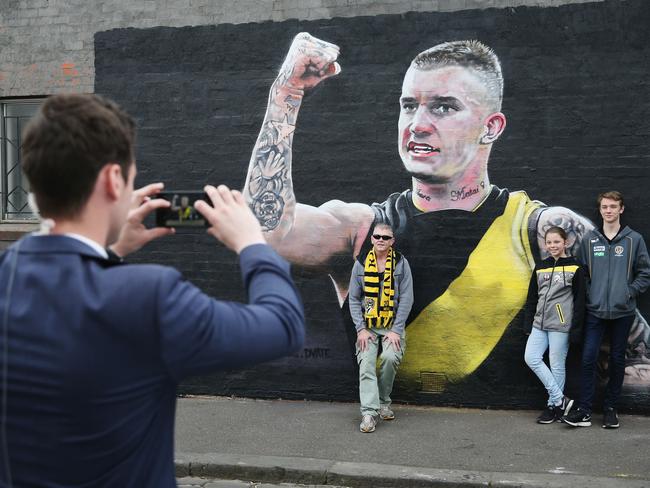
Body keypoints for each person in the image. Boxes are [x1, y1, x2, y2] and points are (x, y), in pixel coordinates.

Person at [243, 33, 650, 393]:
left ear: (491, 127)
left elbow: (635, 351)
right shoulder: (362, 227)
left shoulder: (543, 229)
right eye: (408, 106)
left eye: (442, 107)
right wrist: (286, 94)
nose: (417, 124)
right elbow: (266, 232)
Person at [0, 94, 305, 487]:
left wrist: (110, 251)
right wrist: (253, 244)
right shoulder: (150, 297)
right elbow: (283, 325)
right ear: (113, 180)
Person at [563, 191, 650, 429]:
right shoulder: (590, 240)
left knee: (616, 360)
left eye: (613, 206)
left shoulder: (634, 240)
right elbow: (581, 273)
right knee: (589, 358)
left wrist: (629, 292)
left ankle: (611, 409)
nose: (608, 210)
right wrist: (591, 293)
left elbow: (645, 273)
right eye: (604, 207)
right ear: (600, 210)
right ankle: (585, 410)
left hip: (623, 313)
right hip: (595, 311)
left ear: (621, 209)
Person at [348, 223, 413, 432]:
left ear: (392, 241)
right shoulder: (361, 264)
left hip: (392, 324)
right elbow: (354, 298)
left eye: (386, 237)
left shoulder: (401, 264)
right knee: (366, 364)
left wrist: (396, 330)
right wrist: (360, 329)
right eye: (377, 236)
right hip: (368, 325)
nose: (381, 240)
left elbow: (406, 298)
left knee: (390, 358)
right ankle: (369, 412)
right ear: (372, 239)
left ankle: (384, 402)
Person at [523, 226, 586, 424]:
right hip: (539, 323)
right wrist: (528, 323)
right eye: (549, 242)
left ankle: (553, 407)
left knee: (557, 365)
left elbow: (580, 301)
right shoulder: (541, 267)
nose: (552, 246)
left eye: (556, 242)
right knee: (531, 357)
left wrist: (576, 330)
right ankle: (560, 400)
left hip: (561, 324)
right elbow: (532, 297)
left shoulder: (575, 267)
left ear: (565, 242)